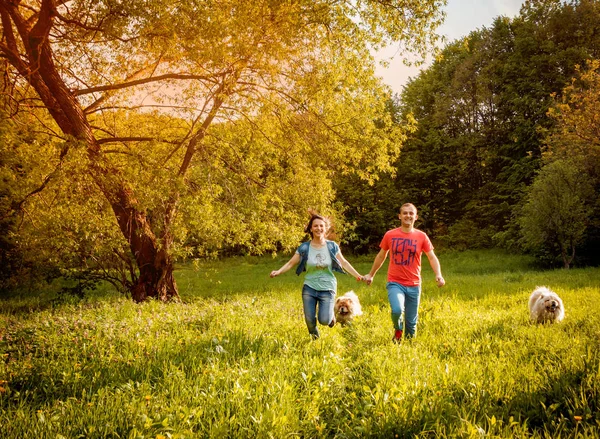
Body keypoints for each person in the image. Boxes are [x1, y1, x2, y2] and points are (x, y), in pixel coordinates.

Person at [270, 213, 364, 339]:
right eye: (315, 226)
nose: (318, 228)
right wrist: (279, 271)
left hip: (327, 287)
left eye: (321, 226)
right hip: (309, 287)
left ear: (325, 229)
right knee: (309, 319)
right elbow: (291, 263)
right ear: (311, 229)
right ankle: (315, 339)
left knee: (324, 320)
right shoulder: (304, 248)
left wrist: (358, 275)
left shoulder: (332, 246)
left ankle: (330, 318)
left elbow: (344, 263)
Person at [363, 203, 445, 342]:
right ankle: (398, 329)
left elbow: (432, 257)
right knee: (397, 310)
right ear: (399, 216)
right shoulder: (390, 235)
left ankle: (408, 349)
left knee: (411, 324)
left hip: (414, 284)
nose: (408, 215)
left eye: (411, 213)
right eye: (405, 213)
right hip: (395, 282)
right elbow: (381, 256)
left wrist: (438, 274)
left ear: (416, 217)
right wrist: (371, 274)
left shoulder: (422, 236)